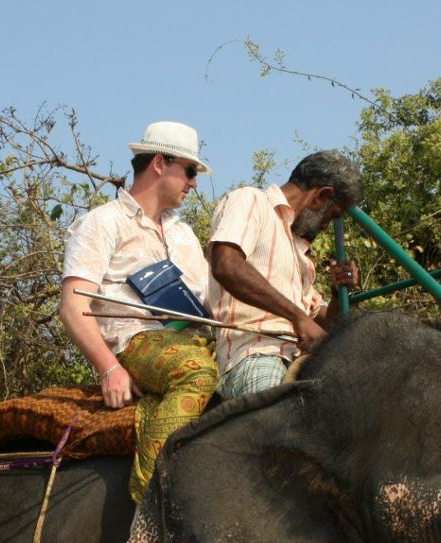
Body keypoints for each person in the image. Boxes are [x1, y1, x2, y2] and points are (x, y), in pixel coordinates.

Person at [58, 121, 217, 503]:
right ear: (160, 163)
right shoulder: (102, 223)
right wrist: (109, 369)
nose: (194, 183)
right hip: (139, 341)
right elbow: (72, 307)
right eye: (190, 170)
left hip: (197, 338)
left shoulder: (184, 234)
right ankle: (152, 498)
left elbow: (213, 302)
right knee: (196, 372)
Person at [207, 150, 364, 399]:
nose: (326, 226)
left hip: (299, 362)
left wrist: (337, 293)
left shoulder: (300, 253)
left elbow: (320, 323)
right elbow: (226, 264)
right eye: (332, 215)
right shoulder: (251, 200)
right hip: (254, 356)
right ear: (321, 196)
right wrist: (297, 317)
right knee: (280, 410)